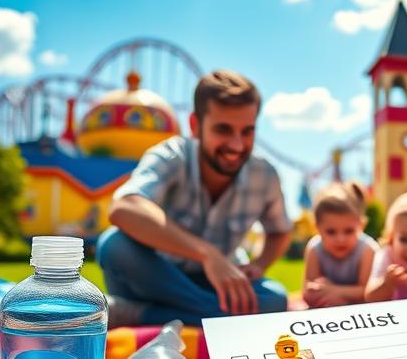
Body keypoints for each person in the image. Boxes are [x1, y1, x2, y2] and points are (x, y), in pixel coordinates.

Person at [97, 70, 292, 326]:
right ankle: (219, 318)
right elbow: (124, 208)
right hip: (156, 276)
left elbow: (280, 231)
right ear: (194, 126)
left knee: (275, 297)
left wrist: (261, 263)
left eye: (247, 131)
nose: (236, 145)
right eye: (223, 129)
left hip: (218, 285)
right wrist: (208, 254)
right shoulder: (171, 155)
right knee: (113, 245)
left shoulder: (265, 175)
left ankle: (139, 314)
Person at [303, 181, 379, 307]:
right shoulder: (314, 248)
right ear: (317, 228)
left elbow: (369, 292)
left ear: (361, 225)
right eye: (331, 232)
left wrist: (334, 291)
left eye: (349, 231)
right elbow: (307, 293)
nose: (340, 239)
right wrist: (320, 292)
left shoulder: (367, 249)